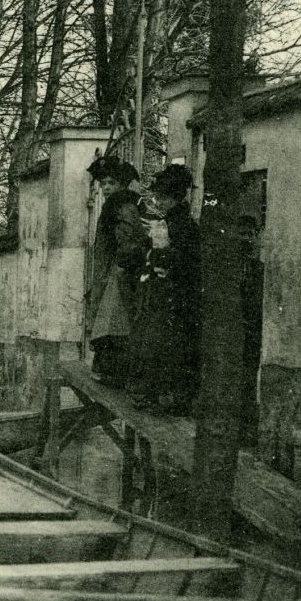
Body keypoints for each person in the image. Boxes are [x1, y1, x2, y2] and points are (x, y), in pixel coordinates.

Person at [128, 164, 200, 414]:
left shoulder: (181, 224)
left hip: (176, 294)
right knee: (162, 343)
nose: (159, 202)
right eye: (159, 197)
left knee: (167, 344)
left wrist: (159, 257)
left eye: (164, 197)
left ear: (176, 197)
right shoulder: (171, 221)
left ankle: (166, 398)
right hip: (167, 290)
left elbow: (184, 259)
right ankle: (162, 395)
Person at [84, 156, 147, 387]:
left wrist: (119, 267)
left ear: (122, 184)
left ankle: (114, 373)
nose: (106, 188)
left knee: (114, 322)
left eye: (111, 183)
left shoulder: (124, 207)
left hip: (120, 274)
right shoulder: (113, 207)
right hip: (109, 272)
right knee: (109, 321)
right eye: (103, 184)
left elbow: (129, 241)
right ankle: (109, 371)